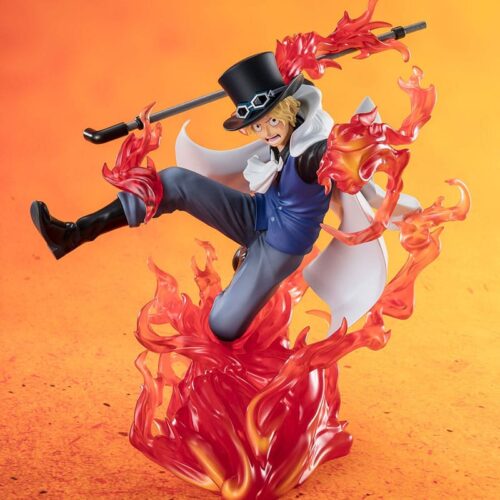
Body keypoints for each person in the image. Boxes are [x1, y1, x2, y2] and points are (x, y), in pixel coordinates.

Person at [30, 52, 337, 342]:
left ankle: (247, 284)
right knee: (175, 181)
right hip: (257, 214)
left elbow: (348, 155)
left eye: (273, 120)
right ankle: (73, 233)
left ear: (290, 111)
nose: (267, 132)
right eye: (257, 125)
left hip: (280, 247)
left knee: (222, 326)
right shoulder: (281, 139)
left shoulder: (312, 152)